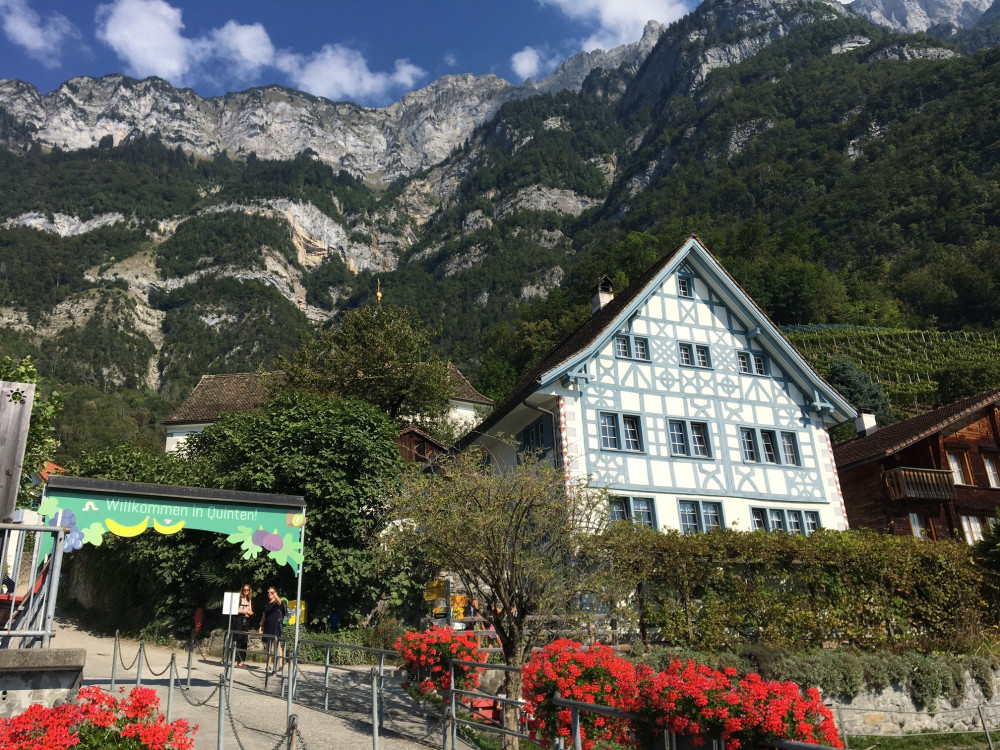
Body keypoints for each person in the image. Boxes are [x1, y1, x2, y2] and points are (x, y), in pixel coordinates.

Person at [258, 585, 286, 673]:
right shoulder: (267, 605)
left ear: (275, 593)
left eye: (271, 592)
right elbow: (263, 617)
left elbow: (279, 602)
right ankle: (268, 664)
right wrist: (260, 627)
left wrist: (275, 595)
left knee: (277, 645)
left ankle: (280, 664)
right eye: (268, 592)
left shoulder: (277, 604)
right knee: (267, 646)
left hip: (275, 626)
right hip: (267, 626)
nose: (269, 594)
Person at [234, 584, 253, 667]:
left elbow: (250, 610)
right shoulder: (239, 598)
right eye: (244, 590)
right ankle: (235, 659)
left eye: (247, 590)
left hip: (246, 620)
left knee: (244, 639)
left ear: (249, 591)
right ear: (242, 590)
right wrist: (243, 612)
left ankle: (241, 660)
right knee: (237, 638)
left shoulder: (249, 599)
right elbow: (235, 610)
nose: (246, 591)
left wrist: (249, 613)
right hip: (238, 619)